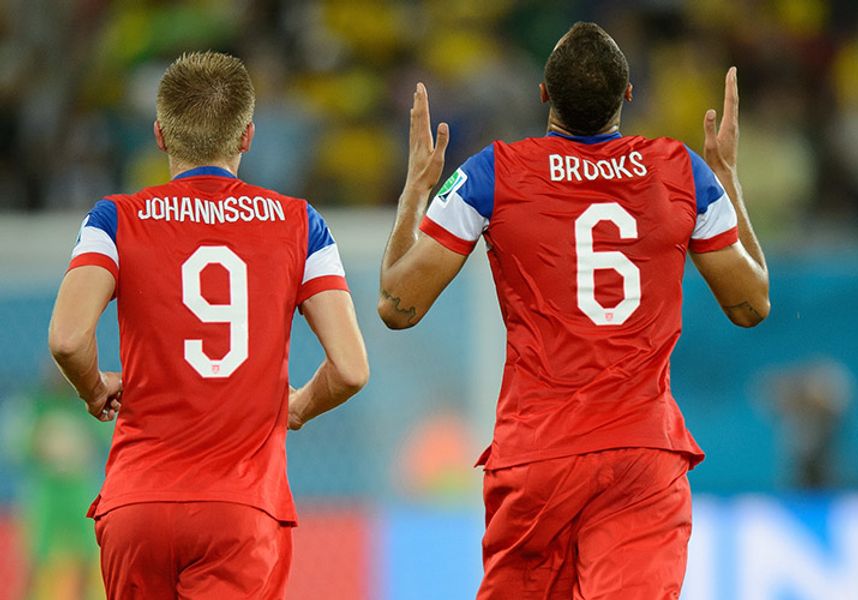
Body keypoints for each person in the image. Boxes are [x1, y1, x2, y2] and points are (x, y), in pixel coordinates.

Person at [379, 22, 769, 599]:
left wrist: (414, 191)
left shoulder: (493, 174)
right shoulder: (682, 171)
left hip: (537, 457)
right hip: (641, 454)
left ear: (543, 93)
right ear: (629, 95)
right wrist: (729, 181)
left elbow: (397, 305)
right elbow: (751, 303)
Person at [48, 51, 369, 599]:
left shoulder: (113, 219)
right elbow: (350, 369)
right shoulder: (300, 224)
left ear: (159, 135)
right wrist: (298, 405)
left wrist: (94, 389)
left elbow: (67, 338)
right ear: (247, 137)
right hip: (241, 509)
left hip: (135, 507)